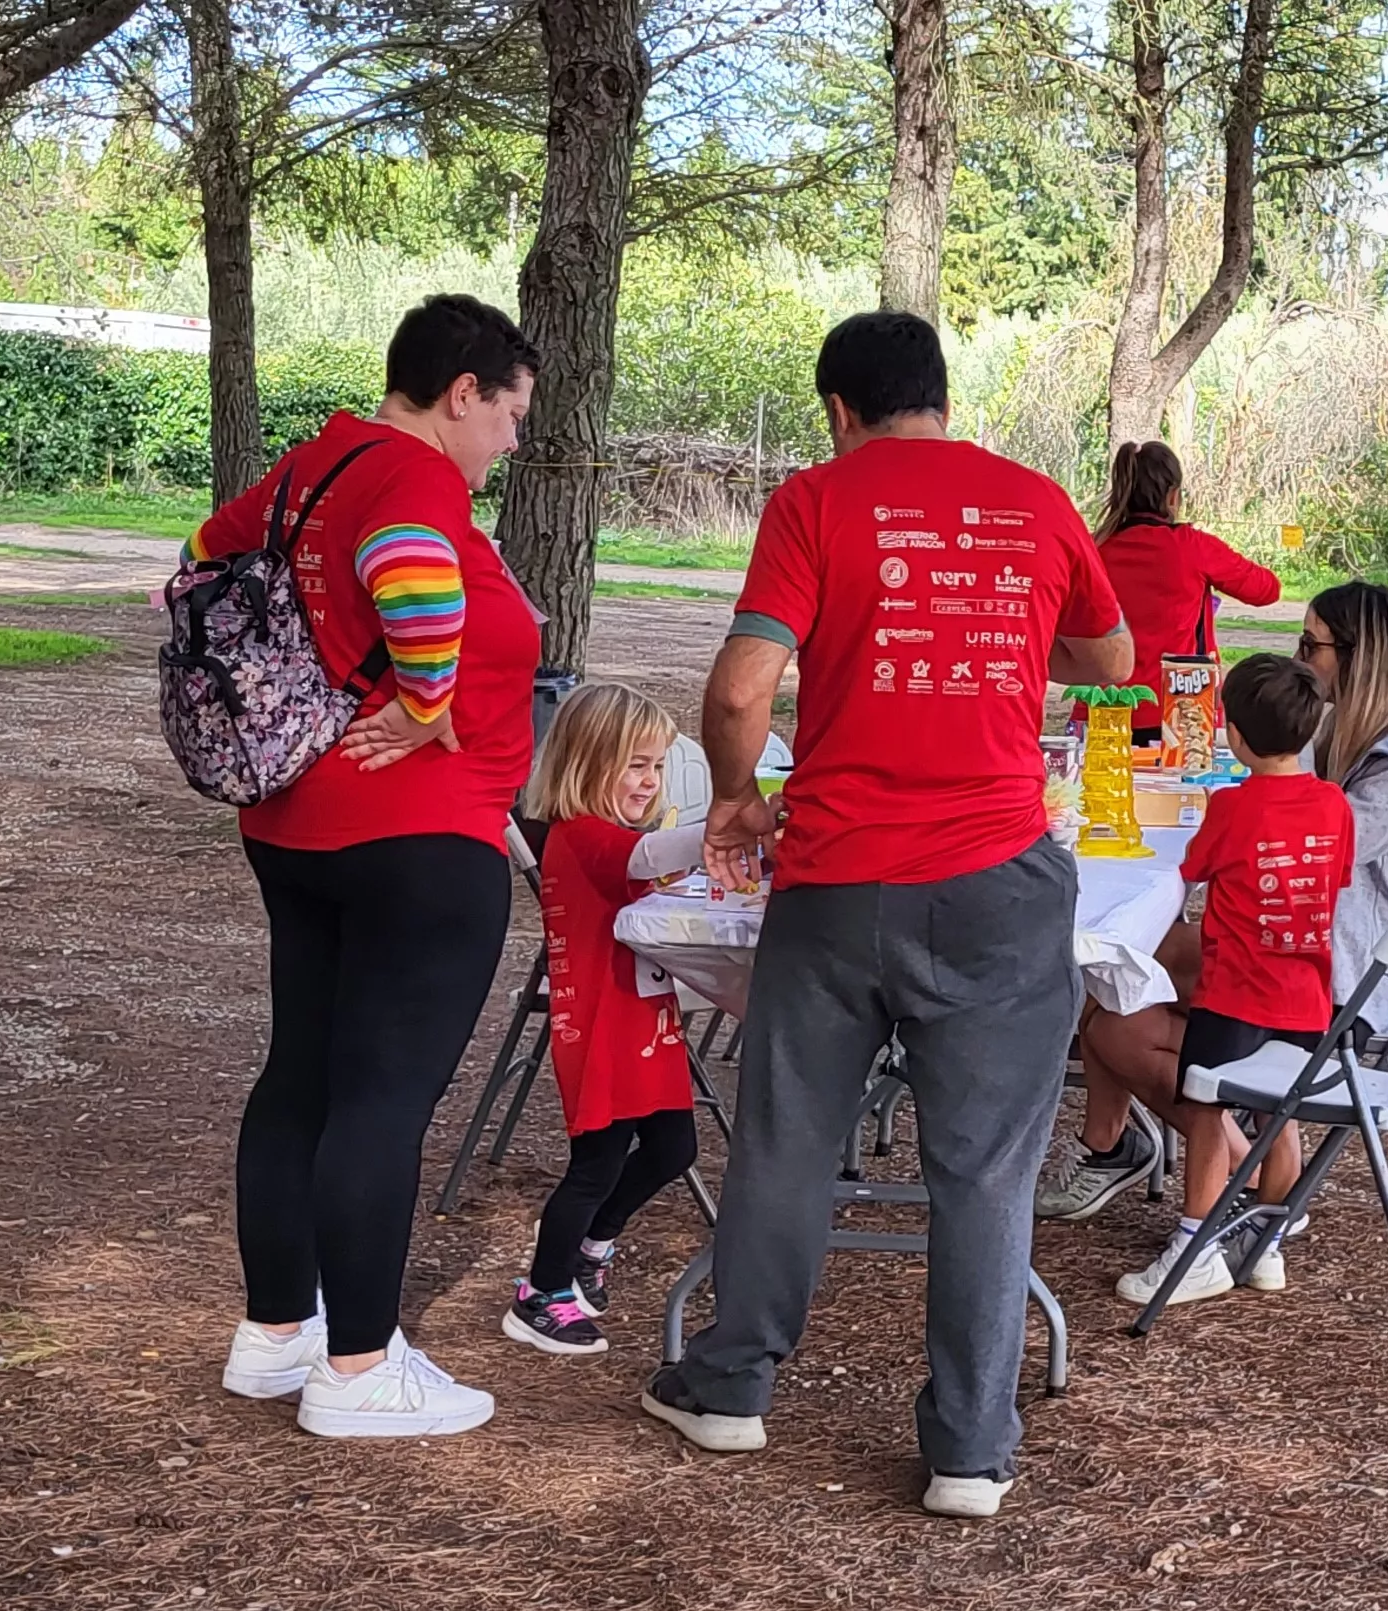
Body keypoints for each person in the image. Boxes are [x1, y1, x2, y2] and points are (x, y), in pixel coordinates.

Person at [640, 312, 1131, 1520]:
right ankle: (969, 1449)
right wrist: (1001, 635)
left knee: (791, 1139)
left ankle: (731, 1387)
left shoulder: (816, 500)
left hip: (841, 878)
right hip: (1001, 882)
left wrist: (743, 799)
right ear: (943, 402)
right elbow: (1113, 657)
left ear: (839, 412)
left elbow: (741, 687)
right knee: (986, 1169)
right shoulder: (1037, 503)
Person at [207, 294, 542, 1439]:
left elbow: (203, 555)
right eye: (508, 416)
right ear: (464, 394)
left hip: (296, 819)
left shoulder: (316, 462)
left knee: (299, 1077)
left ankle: (275, 1336)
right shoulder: (412, 478)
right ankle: (357, 1371)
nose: (508, 443)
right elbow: (413, 575)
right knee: (381, 1101)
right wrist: (422, 698)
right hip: (415, 832)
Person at [1038, 581, 1388, 1220]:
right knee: (1123, 963)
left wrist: (1238, 807)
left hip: (1340, 981)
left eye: (1310, 645)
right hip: (1302, 948)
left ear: (1358, 656)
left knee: (1118, 1021)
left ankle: (1237, 1172)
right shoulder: (1357, 737)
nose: (1300, 659)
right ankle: (1115, 1145)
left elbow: (1299, 848)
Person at [1114, 653, 1350, 1307]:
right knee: (1283, 1118)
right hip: (1305, 994)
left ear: (1234, 734)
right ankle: (1266, 1245)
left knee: (1207, 1113)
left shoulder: (1232, 806)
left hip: (1233, 992)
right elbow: (1336, 879)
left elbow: (1190, 868)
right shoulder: (1333, 804)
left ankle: (1196, 1244)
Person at [500, 684, 709, 1359]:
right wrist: (731, 824)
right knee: (592, 1165)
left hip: (644, 1019)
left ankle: (594, 1241)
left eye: (656, 766)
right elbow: (646, 862)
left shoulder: (614, 837)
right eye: (636, 766)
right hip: (600, 1029)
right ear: (588, 764)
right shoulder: (583, 835)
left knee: (674, 1147)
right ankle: (540, 1290)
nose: (649, 782)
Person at [1089, 440, 1282, 741]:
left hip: (1103, 707)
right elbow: (1266, 590)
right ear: (1173, 496)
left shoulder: (1095, 550)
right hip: (1181, 709)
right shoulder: (1193, 547)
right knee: (1183, 788)